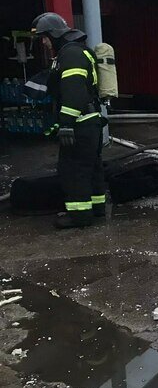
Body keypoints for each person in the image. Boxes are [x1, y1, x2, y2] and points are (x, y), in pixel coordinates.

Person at [32, 12, 106, 228]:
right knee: (91, 167)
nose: (44, 43)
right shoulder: (77, 51)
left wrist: (65, 123)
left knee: (73, 170)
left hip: (80, 123)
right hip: (90, 121)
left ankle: (79, 216)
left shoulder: (71, 54)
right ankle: (97, 208)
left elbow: (74, 93)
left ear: (54, 35)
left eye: (45, 38)